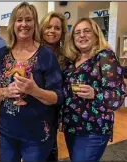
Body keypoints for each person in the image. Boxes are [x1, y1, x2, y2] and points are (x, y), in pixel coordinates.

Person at [0, 2, 63, 162]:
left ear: (35, 24)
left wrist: (34, 90)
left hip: (37, 134)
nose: (24, 24)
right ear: (13, 24)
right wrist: (5, 92)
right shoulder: (2, 54)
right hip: (7, 133)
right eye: (19, 19)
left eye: (28, 19)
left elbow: (57, 97)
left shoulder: (46, 55)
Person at [61, 17, 126, 162]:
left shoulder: (105, 57)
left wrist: (94, 93)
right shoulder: (72, 60)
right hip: (71, 126)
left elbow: (118, 95)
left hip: (94, 129)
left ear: (96, 34)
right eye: (77, 33)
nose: (82, 35)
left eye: (86, 31)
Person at [39, 11, 68, 162]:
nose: (52, 31)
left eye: (57, 28)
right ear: (41, 28)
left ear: (62, 32)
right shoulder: (33, 52)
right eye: (48, 27)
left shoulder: (67, 55)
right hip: (33, 111)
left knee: (50, 150)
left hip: (54, 112)